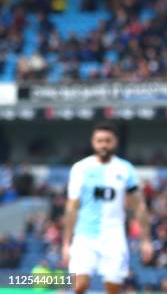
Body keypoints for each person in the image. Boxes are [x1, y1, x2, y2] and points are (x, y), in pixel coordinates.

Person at [62, 122, 153, 294]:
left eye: (107, 140)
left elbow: (139, 207)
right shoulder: (80, 168)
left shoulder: (126, 169)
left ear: (115, 142)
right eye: (99, 140)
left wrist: (145, 240)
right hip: (84, 236)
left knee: (113, 289)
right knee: (78, 286)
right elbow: (71, 207)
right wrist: (66, 243)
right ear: (93, 142)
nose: (103, 144)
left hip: (113, 236)